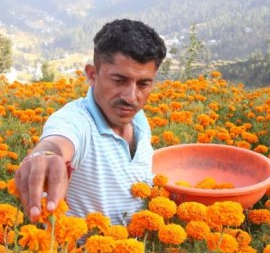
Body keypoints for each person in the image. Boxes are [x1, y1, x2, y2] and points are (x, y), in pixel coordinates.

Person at [14, 18, 167, 225]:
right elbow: (58, 141)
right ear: (92, 75)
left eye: (143, 84)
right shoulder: (76, 121)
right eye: (119, 81)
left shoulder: (139, 120)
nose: (131, 96)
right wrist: (46, 154)